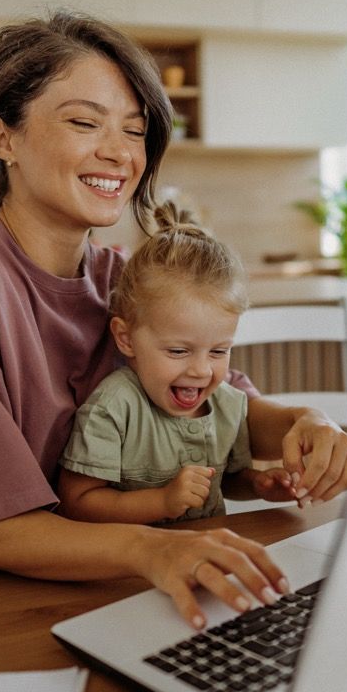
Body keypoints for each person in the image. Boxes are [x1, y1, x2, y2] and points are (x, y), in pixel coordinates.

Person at [0, 11, 347, 630]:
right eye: (85, 123)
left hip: (120, 581)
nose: (117, 152)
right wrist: (153, 549)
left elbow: (228, 410)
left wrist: (310, 424)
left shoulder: (123, 277)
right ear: (4, 137)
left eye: (135, 132)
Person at [58, 203, 300, 525]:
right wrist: (162, 501)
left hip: (207, 556)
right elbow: (77, 502)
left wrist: (258, 484)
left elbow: (226, 480)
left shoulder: (227, 404)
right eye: (178, 351)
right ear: (126, 338)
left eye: (218, 352)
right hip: (130, 567)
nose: (201, 371)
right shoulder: (113, 408)